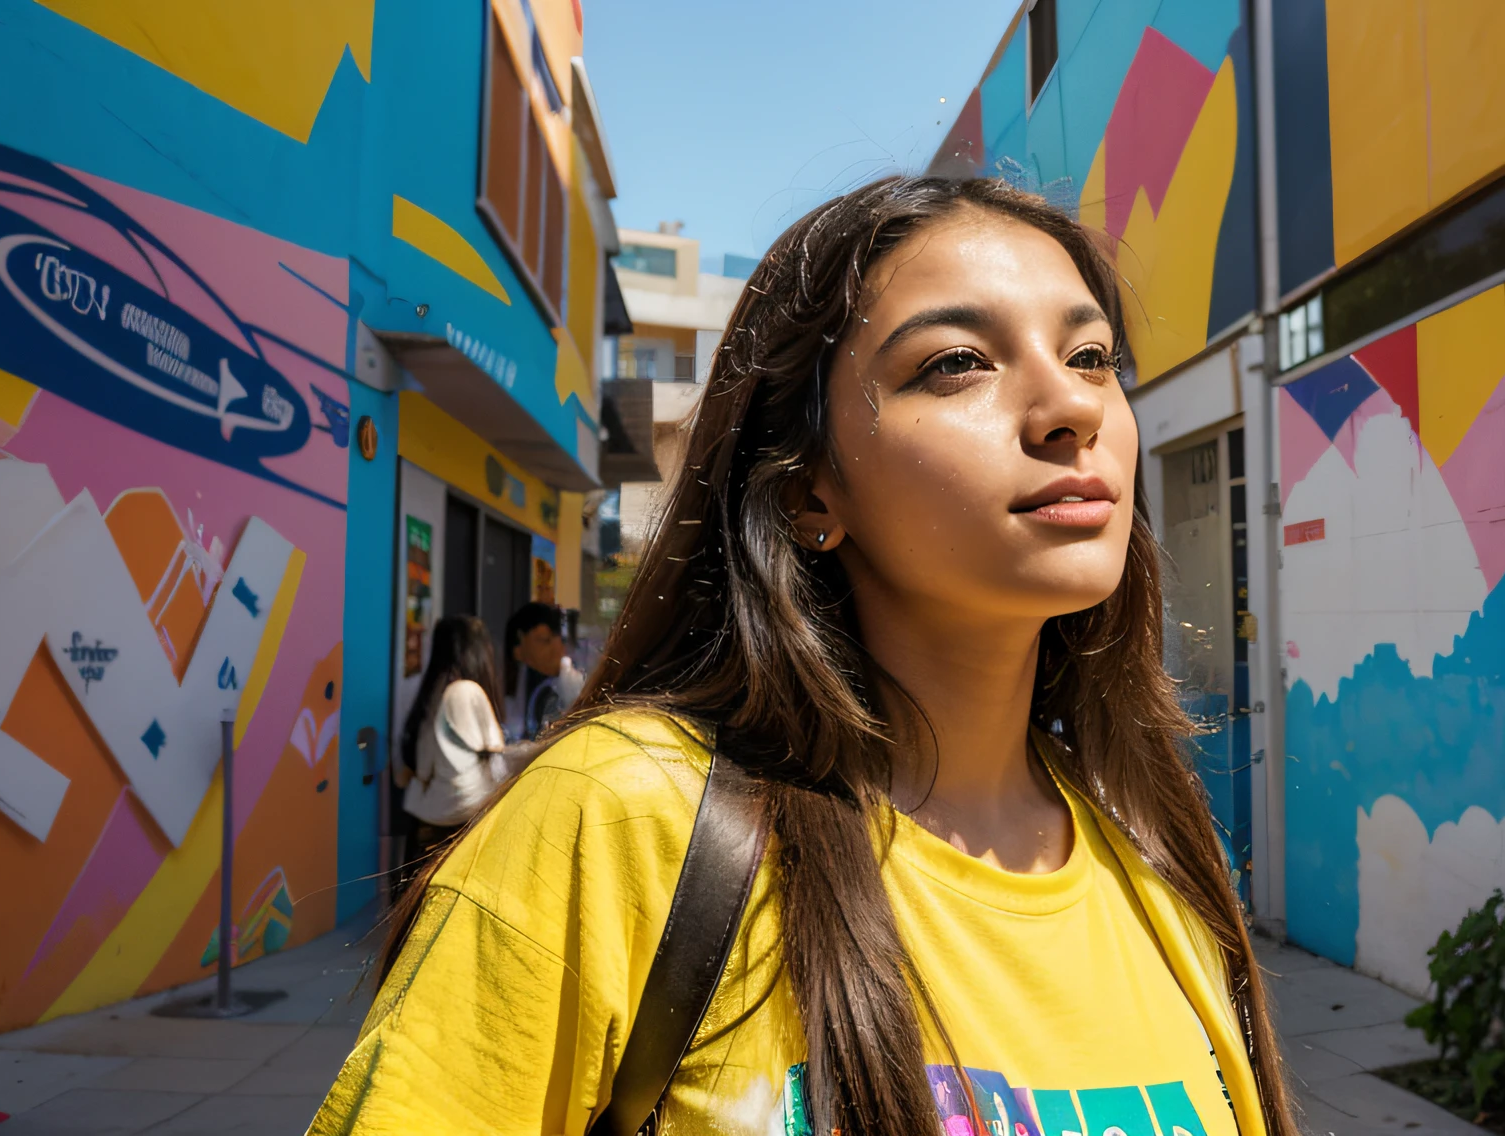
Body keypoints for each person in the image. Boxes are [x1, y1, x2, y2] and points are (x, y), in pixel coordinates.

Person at [314, 177, 1296, 1136]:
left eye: (1089, 354)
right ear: (808, 491)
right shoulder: (622, 813)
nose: (1068, 408)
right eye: (957, 361)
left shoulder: (1160, 850)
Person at [393, 615, 507, 861]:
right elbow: (496, 770)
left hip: (424, 821)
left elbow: (401, 771)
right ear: (477, 653)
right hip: (460, 825)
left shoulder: (417, 689)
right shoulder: (466, 696)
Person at [502, 600, 584, 741]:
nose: (558, 650)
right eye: (544, 640)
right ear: (519, 644)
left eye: (562, 641)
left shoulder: (570, 684)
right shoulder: (507, 690)